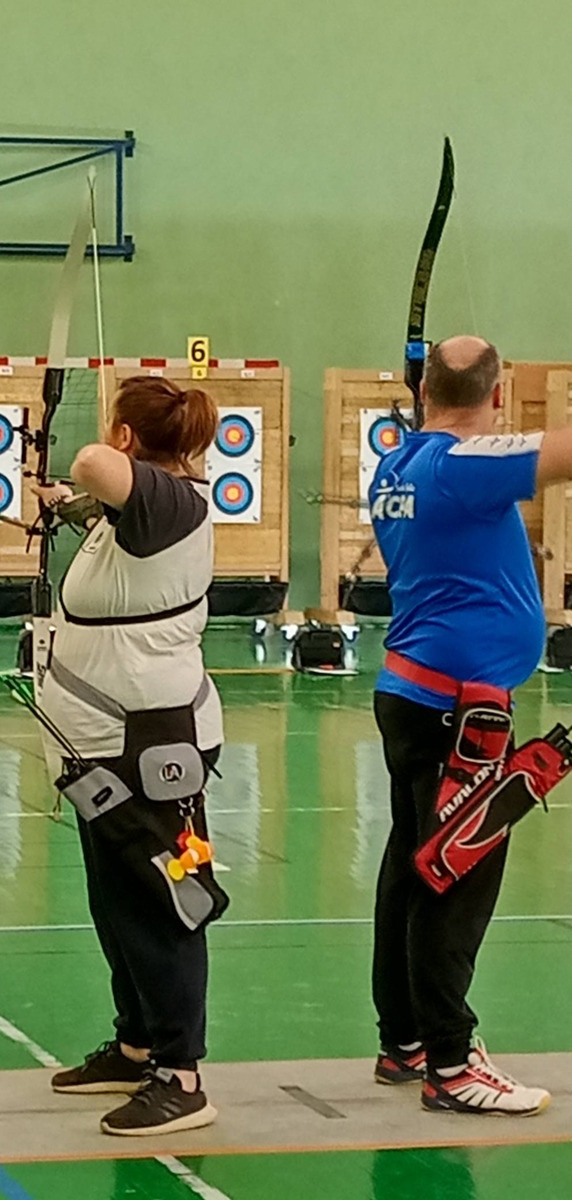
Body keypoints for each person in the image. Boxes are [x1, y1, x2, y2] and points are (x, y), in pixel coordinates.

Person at [370, 334, 572, 1116]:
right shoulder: (463, 466)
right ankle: (451, 1064)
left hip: (416, 697)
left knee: (413, 864)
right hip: (458, 715)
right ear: (498, 394)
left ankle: (406, 1040)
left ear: (424, 393)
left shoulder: (398, 463)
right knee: (457, 873)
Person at [37, 375, 226, 1136]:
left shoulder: (172, 502)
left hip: (148, 744)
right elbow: (103, 497)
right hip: (100, 745)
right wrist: (70, 506)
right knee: (117, 903)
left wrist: (91, 473)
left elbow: (94, 465)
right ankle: (136, 1044)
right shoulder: (141, 511)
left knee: (161, 905)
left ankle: (182, 1077)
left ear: (125, 437)